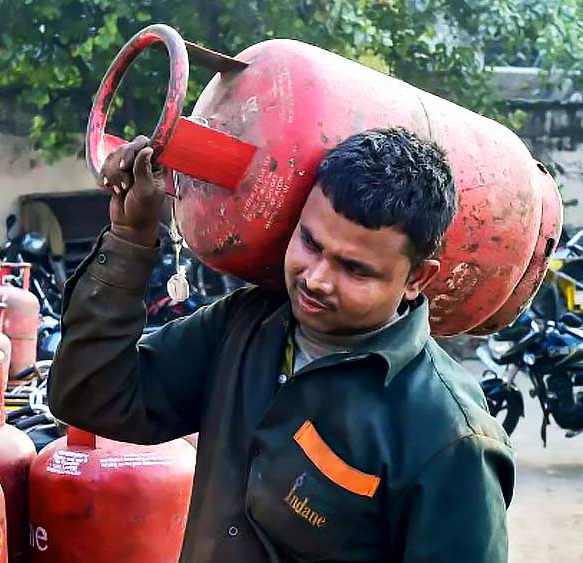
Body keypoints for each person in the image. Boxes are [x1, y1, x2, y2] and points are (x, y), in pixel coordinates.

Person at [49, 127, 514, 563]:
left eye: (354, 269)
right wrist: (130, 241)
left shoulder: (451, 440)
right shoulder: (245, 327)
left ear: (417, 278)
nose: (316, 279)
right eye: (310, 243)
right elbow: (90, 398)